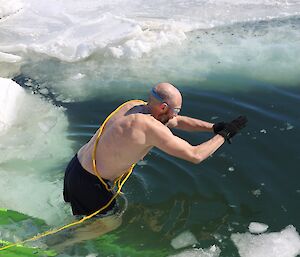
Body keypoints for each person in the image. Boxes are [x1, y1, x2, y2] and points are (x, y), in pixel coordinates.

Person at [63, 82, 247, 217]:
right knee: (108, 225)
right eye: (176, 110)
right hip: (90, 184)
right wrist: (225, 135)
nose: (177, 114)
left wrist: (213, 127)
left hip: (75, 168)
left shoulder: (134, 106)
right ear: (163, 107)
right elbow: (195, 155)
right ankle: (54, 246)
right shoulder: (148, 126)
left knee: (80, 216)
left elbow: (176, 121)